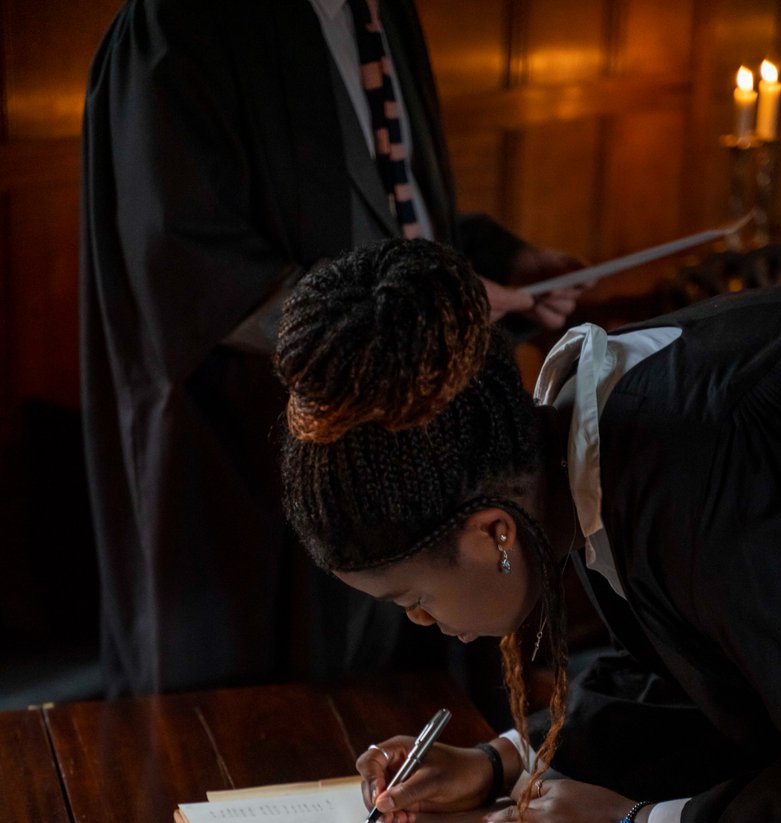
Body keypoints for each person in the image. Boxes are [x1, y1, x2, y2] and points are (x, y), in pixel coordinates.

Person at [276, 237, 781, 823]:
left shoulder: (714, 469)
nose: (429, 625)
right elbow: (702, 663)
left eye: (416, 601)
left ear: (489, 533)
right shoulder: (585, 442)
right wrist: (500, 761)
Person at [80, 0, 583, 699]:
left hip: (413, 445)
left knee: (420, 671)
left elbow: (398, 209)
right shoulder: (178, 22)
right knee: (278, 717)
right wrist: (415, 312)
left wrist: (504, 259)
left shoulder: (383, 14)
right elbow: (182, 259)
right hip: (258, 438)